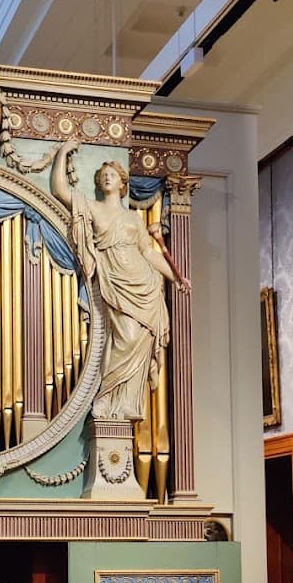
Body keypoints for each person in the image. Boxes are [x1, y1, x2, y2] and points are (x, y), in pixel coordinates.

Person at [50, 140, 189, 421]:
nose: (106, 177)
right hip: (115, 279)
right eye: (103, 176)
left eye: (111, 173)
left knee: (139, 339)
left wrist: (175, 276)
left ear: (122, 182)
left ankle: (127, 404)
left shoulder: (133, 219)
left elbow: (148, 252)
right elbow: (60, 190)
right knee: (124, 338)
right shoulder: (92, 208)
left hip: (143, 283)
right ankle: (108, 397)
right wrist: (63, 153)